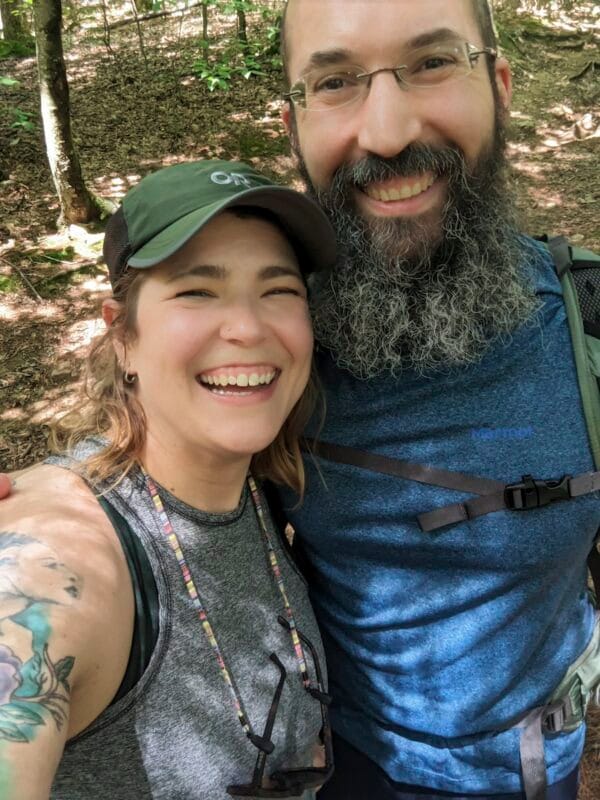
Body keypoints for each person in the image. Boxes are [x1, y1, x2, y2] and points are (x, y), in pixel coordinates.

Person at [273, 1, 600, 799]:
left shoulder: (589, 320)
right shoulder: (266, 346)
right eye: (336, 80)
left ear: (500, 82)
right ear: (293, 123)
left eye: (430, 63)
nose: (386, 133)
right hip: (345, 767)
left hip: (537, 771)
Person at [0, 159, 338, 799]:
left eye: (279, 290)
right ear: (122, 335)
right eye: (196, 291)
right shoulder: (53, 559)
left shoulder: (260, 487)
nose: (248, 328)